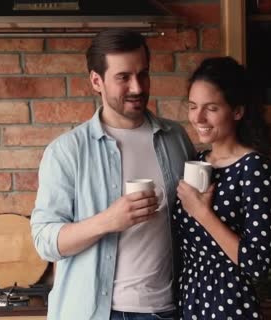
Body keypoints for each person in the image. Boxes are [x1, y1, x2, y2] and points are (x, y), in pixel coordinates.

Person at [30, 29, 195, 320]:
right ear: (97, 81)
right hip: (97, 313)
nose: (137, 87)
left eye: (143, 74)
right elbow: (45, 241)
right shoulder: (67, 151)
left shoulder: (175, 138)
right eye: (123, 77)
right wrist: (108, 220)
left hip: (169, 310)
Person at [174, 56, 271, 320]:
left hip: (230, 304)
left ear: (237, 111)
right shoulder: (199, 163)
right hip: (190, 300)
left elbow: (257, 264)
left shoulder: (254, 168)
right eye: (192, 106)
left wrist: (202, 214)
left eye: (211, 108)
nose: (198, 117)